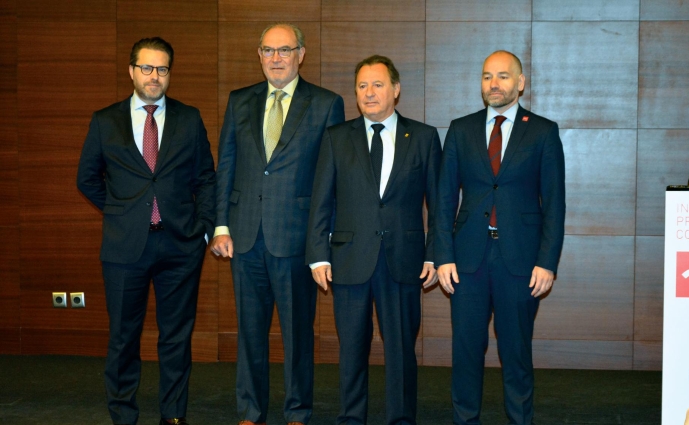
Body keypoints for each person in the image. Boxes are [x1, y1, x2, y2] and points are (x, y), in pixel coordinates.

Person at [77, 37, 216, 425]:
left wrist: (204, 229)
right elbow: (87, 178)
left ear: (170, 73)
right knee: (123, 337)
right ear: (131, 71)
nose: (155, 76)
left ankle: (173, 415)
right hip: (125, 249)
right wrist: (122, 213)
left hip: (180, 246)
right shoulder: (106, 121)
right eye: (147, 68)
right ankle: (123, 414)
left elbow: (206, 178)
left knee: (176, 338)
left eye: (162, 69)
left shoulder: (189, 118)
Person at [211, 22, 344, 425]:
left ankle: (297, 412)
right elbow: (227, 165)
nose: (276, 58)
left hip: (296, 237)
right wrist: (220, 226)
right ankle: (250, 411)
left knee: (297, 335)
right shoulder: (240, 101)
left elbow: (331, 176)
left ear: (301, 54)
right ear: (259, 54)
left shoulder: (325, 103)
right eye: (268, 50)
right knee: (249, 334)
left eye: (284, 50)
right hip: (245, 237)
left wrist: (323, 241)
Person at [306, 54, 441, 425]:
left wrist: (435, 254)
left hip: (404, 260)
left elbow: (440, 206)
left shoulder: (425, 137)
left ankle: (401, 419)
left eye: (378, 85)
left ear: (396, 90)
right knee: (351, 349)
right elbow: (321, 200)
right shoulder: (337, 138)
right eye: (362, 86)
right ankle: (351, 418)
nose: (369, 93)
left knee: (401, 350)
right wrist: (318, 255)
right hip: (349, 260)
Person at [434, 50, 566, 425]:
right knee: (466, 353)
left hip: (521, 263)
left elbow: (555, 203)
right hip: (467, 261)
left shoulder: (542, 131)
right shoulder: (460, 129)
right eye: (487, 76)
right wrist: (443, 256)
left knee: (516, 354)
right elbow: (444, 200)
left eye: (503, 76)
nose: (494, 83)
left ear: (520, 83)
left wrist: (547, 262)